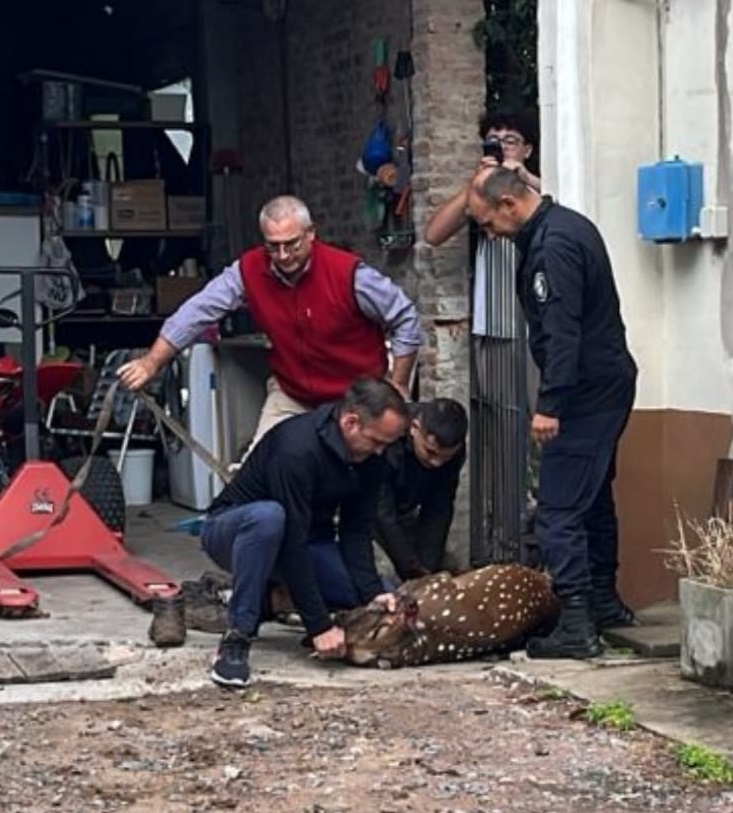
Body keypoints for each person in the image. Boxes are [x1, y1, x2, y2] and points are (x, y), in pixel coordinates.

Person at [467, 166, 638, 660]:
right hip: (608, 384)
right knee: (594, 498)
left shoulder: (551, 248)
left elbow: (563, 332)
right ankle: (604, 603)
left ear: (508, 205)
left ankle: (577, 626)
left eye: (487, 223)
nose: (489, 234)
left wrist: (550, 404)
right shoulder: (569, 223)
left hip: (583, 394)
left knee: (559, 510)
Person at [117, 195, 420, 454]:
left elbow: (405, 317)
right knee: (259, 472)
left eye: (292, 244)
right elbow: (197, 310)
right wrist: (152, 362)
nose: (283, 256)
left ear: (311, 233)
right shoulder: (248, 270)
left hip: (355, 395)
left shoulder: (350, 273)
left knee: (357, 474)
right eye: (273, 247)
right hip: (292, 392)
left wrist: (398, 383)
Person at [200, 377, 409, 687]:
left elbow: (356, 529)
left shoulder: (369, 458)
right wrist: (318, 626)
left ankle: (273, 599)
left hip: (308, 542)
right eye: (376, 442)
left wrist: (371, 593)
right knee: (269, 517)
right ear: (350, 422)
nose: (380, 451)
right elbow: (292, 543)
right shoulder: (295, 450)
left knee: (375, 595)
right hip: (239, 531)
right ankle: (237, 636)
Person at [425, 110, 542, 553]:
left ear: (527, 148)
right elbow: (434, 233)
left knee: (537, 430)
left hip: (532, 329)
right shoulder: (480, 199)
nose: (500, 148)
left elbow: (566, 208)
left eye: (509, 140)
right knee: (498, 433)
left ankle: (537, 528)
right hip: (491, 329)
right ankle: (502, 533)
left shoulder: (533, 194)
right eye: (492, 141)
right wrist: (477, 183)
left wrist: (522, 176)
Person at [375, 398, 468, 580]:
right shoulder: (389, 436)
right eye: (430, 452)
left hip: (404, 514)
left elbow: (439, 508)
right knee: (388, 577)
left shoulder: (453, 452)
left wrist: (426, 570)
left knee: (446, 570)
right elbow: (381, 512)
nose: (437, 463)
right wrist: (411, 569)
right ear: (414, 428)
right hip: (366, 513)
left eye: (445, 457)